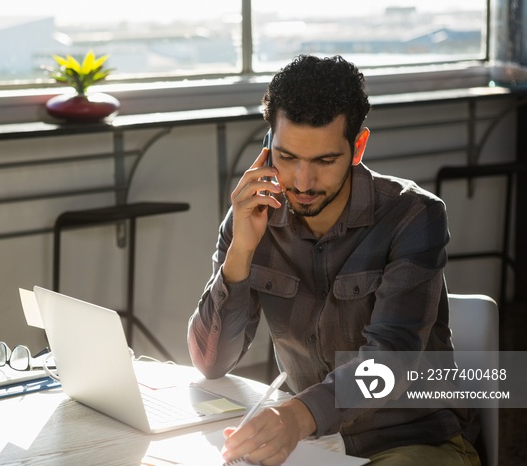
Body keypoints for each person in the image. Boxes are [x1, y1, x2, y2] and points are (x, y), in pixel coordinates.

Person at [187, 55, 480, 466]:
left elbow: (389, 361)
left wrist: (298, 415)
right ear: (268, 146)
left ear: (357, 146)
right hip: (313, 445)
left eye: (325, 161)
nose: (303, 182)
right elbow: (210, 363)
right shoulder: (252, 218)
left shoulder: (413, 217)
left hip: (410, 441)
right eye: (287, 157)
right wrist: (240, 252)